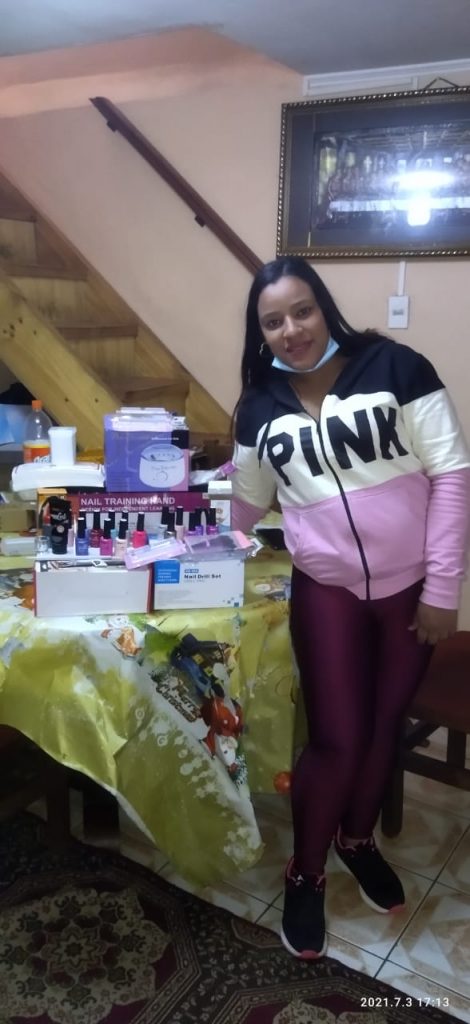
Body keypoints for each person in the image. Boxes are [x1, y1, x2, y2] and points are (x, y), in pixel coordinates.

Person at [231, 256, 470, 960]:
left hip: (408, 589)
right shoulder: (259, 405)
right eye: (272, 321)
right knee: (336, 739)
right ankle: (305, 871)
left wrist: (443, 589)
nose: (291, 330)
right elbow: (247, 503)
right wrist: (200, 536)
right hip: (326, 590)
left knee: (382, 727)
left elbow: (452, 476)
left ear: (323, 307)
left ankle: (357, 839)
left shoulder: (396, 367)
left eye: (301, 310)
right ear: (260, 333)